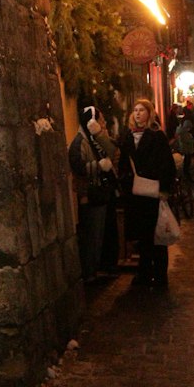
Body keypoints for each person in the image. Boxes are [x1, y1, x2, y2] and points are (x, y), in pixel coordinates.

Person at [119, 98, 177, 289]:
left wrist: (165, 189)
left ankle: (160, 277)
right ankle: (143, 274)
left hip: (152, 192)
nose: (137, 113)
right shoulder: (128, 136)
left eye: (141, 110)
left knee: (157, 236)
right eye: (135, 110)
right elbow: (123, 163)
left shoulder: (156, 135)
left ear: (149, 113)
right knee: (142, 237)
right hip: (136, 195)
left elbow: (167, 164)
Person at [68, 104, 119, 285]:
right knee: (91, 236)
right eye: (100, 119)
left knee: (99, 234)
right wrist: (98, 166)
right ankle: (89, 273)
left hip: (102, 193)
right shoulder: (79, 142)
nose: (103, 122)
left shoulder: (96, 139)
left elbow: (113, 152)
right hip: (91, 195)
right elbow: (78, 168)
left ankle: (99, 267)